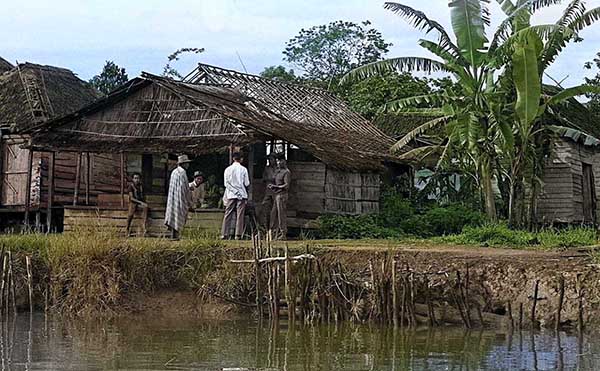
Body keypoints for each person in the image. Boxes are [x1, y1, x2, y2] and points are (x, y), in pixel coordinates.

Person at [221, 152, 250, 240]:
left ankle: (224, 234)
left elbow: (226, 184)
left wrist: (234, 191)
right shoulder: (243, 169)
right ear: (241, 159)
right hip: (241, 194)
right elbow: (247, 183)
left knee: (228, 214)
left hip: (231, 194)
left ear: (233, 159)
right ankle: (238, 234)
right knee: (240, 214)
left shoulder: (227, 169)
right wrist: (239, 191)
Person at [165, 154, 192, 240]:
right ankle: (175, 235)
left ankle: (174, 235)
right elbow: (183, 187)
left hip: (173, 198)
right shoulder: (182, 173)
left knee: (173, 215)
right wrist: (188, 200)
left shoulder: (174, 172)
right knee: (178, 215)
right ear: (183, 164)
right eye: (186, 163)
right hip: (180, 197)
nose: (188, 165)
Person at [269, 157, 291, 239]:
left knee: (281, 214)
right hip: (276, 195)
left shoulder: (286, 172)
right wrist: (272, 186)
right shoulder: (278, 171)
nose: (279, 162)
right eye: (278, 161)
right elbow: (273, 179)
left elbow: (286, 185)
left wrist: (276, 187)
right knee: (273, 214)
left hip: (282, 195)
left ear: (284, 162)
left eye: (280, 161)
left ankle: (283, 233)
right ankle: (274, 232)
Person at [126, 173, 148, 237]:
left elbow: (143, 196)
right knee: (130, 214)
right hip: (133, 202)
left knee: (146, 207)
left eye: (138, 178)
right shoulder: (131, 186)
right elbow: (132, 198)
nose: (137, 180)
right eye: (135, 178)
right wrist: (140, 202)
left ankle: (144, 227)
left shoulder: (141, 186)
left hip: (139, 202)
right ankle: (127, 228)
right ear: (133, 179)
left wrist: (144, 202)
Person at [261, 153, 278, 227]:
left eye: (272, 159)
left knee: (276, 208)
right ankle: (265, 225)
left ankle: (274, 226)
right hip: (268, 190)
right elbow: (263, 178)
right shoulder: (267, 168)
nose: (270, 161)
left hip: (276, 190)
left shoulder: (278, 168)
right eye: (269, 159)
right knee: (265, 206)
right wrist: (268, 179)